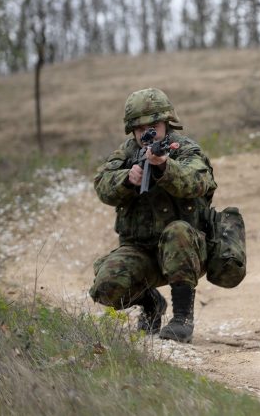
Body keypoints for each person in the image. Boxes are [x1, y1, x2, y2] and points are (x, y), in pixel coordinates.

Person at [90, 88, 217, 343]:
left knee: (177, 231)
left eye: (154, 126)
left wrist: (165, 167)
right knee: (105, 286)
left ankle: (182, 318)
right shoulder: (126, 153)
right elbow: (102, 185)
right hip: (143, 252)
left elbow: (199, 181)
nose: (148, 133)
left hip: (186, 251)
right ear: (132, 131)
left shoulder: (184, 149)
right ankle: (151, 305)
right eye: (140, 129)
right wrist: (127, 179)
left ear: (167, 123)